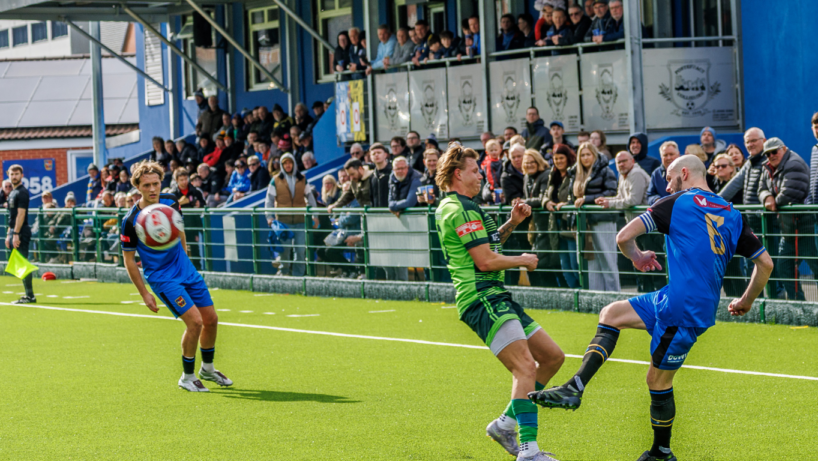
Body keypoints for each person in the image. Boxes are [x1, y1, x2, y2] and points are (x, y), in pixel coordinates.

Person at [529, 155, 772, 461]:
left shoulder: (676, 203)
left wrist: (637, 257)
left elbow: (623, 237)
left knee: (658, 381)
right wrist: (746, 301)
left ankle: (661, 453)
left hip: (683, 312)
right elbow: (765, 263)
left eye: (670, 178)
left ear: (685, 173)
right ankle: (574, 386)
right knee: (611, 314)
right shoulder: (732, 214)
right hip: (681, 300)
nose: (667, 186)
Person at [434, 142, 564, 461]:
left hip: (495, 295)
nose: (481, 176)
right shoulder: (459, 209)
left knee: (552, 357)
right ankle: (529, 451)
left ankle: (504, 424)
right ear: (457, 174)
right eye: (474, 170)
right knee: (525, 367)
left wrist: (512, 223)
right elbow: (485, 261)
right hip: (482, 298)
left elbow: (488, 245)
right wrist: (522, 259)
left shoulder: (464, 206)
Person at [121, 161, 233, 392]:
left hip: (185, 269)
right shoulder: (130, 221)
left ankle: (208, 369)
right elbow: (129, 260)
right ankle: (187, 376)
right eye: (146, 185)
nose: (152, 189)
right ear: (137, 187)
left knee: (211, 320)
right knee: (195, 322)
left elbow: (179, 231)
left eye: (155, 183)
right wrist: (144, 293)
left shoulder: (172, 201)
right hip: (163, 277)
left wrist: (186, 259)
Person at [758, 137, 816, 300]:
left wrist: (772, 202)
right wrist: (767, 197)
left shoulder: (794, 163)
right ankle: (799, 306)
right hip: (788, 228)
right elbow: (760, 188)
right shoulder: (767, 166)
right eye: (767, 154)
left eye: (774, 151)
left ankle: (802, 305)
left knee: (814, 266)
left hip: (802, 226)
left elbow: (789, 195)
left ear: (783, 148)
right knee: (784, 267)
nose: (771, 156)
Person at [596, 151, 654, 292]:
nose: (621, 164)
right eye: (618, 162)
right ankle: (643, 293)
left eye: (624, 161)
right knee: (639, 264)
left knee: (651, 264)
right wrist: (607, 200)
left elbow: (633, 200)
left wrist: (610, 203)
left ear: (632, 161)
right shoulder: (623, 175)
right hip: (636, 228)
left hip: (647, 228)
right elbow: (621, 197)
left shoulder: (636, 173)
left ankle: (653, 294)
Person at [570, 142, 619, 291]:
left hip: (602, 220)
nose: (585, 158)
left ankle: (614, 296)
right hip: (584, 223)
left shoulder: (605, 170)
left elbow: (611, 192)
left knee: (608, 260)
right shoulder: (576, 173)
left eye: (588, 154)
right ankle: (595, 298)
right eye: (582, 155)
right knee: (591, 263)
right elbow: (572, 197)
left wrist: (587, 199)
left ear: (595, 155)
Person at [265, 153, 316, 277]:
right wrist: (269, 217)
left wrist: (315, 215)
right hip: (283, 221)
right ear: (282, 165)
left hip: (300, 220)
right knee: (285, 250)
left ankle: (299, 276)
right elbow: (269, 200)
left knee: (300, 250)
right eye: (285, 163)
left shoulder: (302, 179)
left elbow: (310, 198)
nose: (288, 165)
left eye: (290, 162)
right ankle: (284, 273)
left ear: (294, 164)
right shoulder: (275, 180)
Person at [522, 149, 559, 287]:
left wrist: (525, 202)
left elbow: (543, 198)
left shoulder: (545, 175)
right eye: (527, 163)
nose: (529, 165)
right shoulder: (527, 177)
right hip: (534, 224)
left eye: (532, 162)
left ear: (538, 161)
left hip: (546, 223)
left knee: (544, 260)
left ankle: (549, 291)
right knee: (536, 259)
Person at [543, 144, 579, 288]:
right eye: (556, 158)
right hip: (556, 225)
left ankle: (582, 293)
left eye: (561, 158)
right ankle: (574, 292)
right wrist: (546, 202)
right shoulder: (553, 175)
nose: (558, 161)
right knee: (565, 266)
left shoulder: (575, 174)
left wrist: (567, 204)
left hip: (569, 224)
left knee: (575, 264)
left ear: (568, 158)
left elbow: (578, 196)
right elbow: (545, 194)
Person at [5, 165, 35, 304]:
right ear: (8, 175)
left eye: (17, 174)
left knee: (23, 262)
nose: (14, 176)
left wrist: (16, 233)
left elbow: (21, 214)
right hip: (15, 231)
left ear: (22, 175)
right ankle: (28, 294)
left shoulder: (22, 192)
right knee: (20, 263)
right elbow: (11, 216)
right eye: (12, 174)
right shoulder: (12, 192)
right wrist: (9, 233)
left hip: (21, 231)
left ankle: (30, 296)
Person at [369, 143, 393, 208]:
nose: (376, 155)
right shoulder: (372, 176)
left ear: (385, 155)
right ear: (370, 157)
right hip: (376, 211)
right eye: (373, 154)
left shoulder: (393, 172)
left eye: (379, 153)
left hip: (391, 210)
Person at [481, 139, 505, 204]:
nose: (494, 152)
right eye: (491, 150)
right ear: (487, 152)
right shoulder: (489, 163)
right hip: (494, 188)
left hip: (501, 186)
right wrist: (495, 187)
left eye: (495, 150)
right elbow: (490, 176)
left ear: (500, 150)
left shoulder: (501, 162)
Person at [807, 112, 818, 206]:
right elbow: (813, 181)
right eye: (816, 127)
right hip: (815, 208)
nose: (817, 130)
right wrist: (810, 204)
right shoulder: (814, 149)